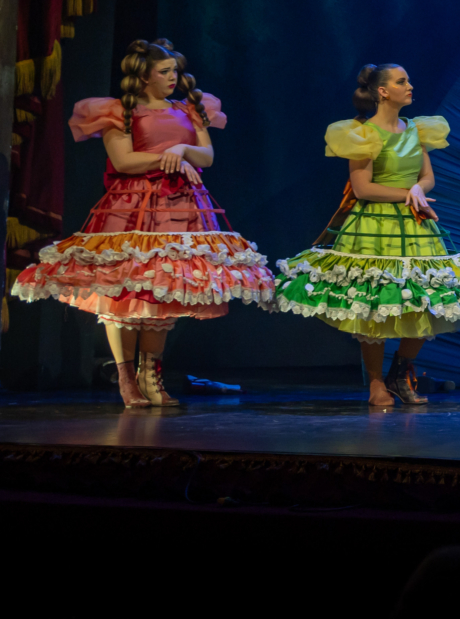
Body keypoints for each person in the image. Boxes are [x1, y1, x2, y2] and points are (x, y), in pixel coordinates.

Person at [10, 38, 276, 407]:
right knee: (124, 290)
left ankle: (151, 376)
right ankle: (125, 378)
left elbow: (207, 156)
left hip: (179, 205)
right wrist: (168, 159)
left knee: (163, 289)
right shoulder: (120, 111)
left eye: (174, 71)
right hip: (132, 206)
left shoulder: (190, 108)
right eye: (164, 72)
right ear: (145, 76)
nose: (173, 77)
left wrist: (181, 150)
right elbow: (124, 161)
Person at [275, 64, 460, 407]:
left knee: (427, 299)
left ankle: (399, 374)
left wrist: (418, 189)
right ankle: (375, 383)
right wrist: (407, 194)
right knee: (373, 302)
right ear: (383, 91)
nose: (410, 85)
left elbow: (427, 177)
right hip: (374, 224)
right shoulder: (362, 133)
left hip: (415, 225)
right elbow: (363, 188)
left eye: (408, 80)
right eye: (402, 81)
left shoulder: (417, 129)